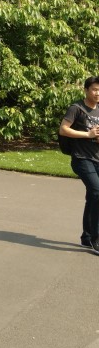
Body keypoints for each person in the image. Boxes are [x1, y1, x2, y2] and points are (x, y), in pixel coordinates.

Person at [59, 76, 99, 252]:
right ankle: (97, 239)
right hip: (81, 158)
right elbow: (63, 129)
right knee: (98, 191)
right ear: (86, 90)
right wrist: (88, 135)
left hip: (97, 158)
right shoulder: (76, 108)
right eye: (95, 89)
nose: (98, 93)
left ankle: (87, 237)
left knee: (93, 196)